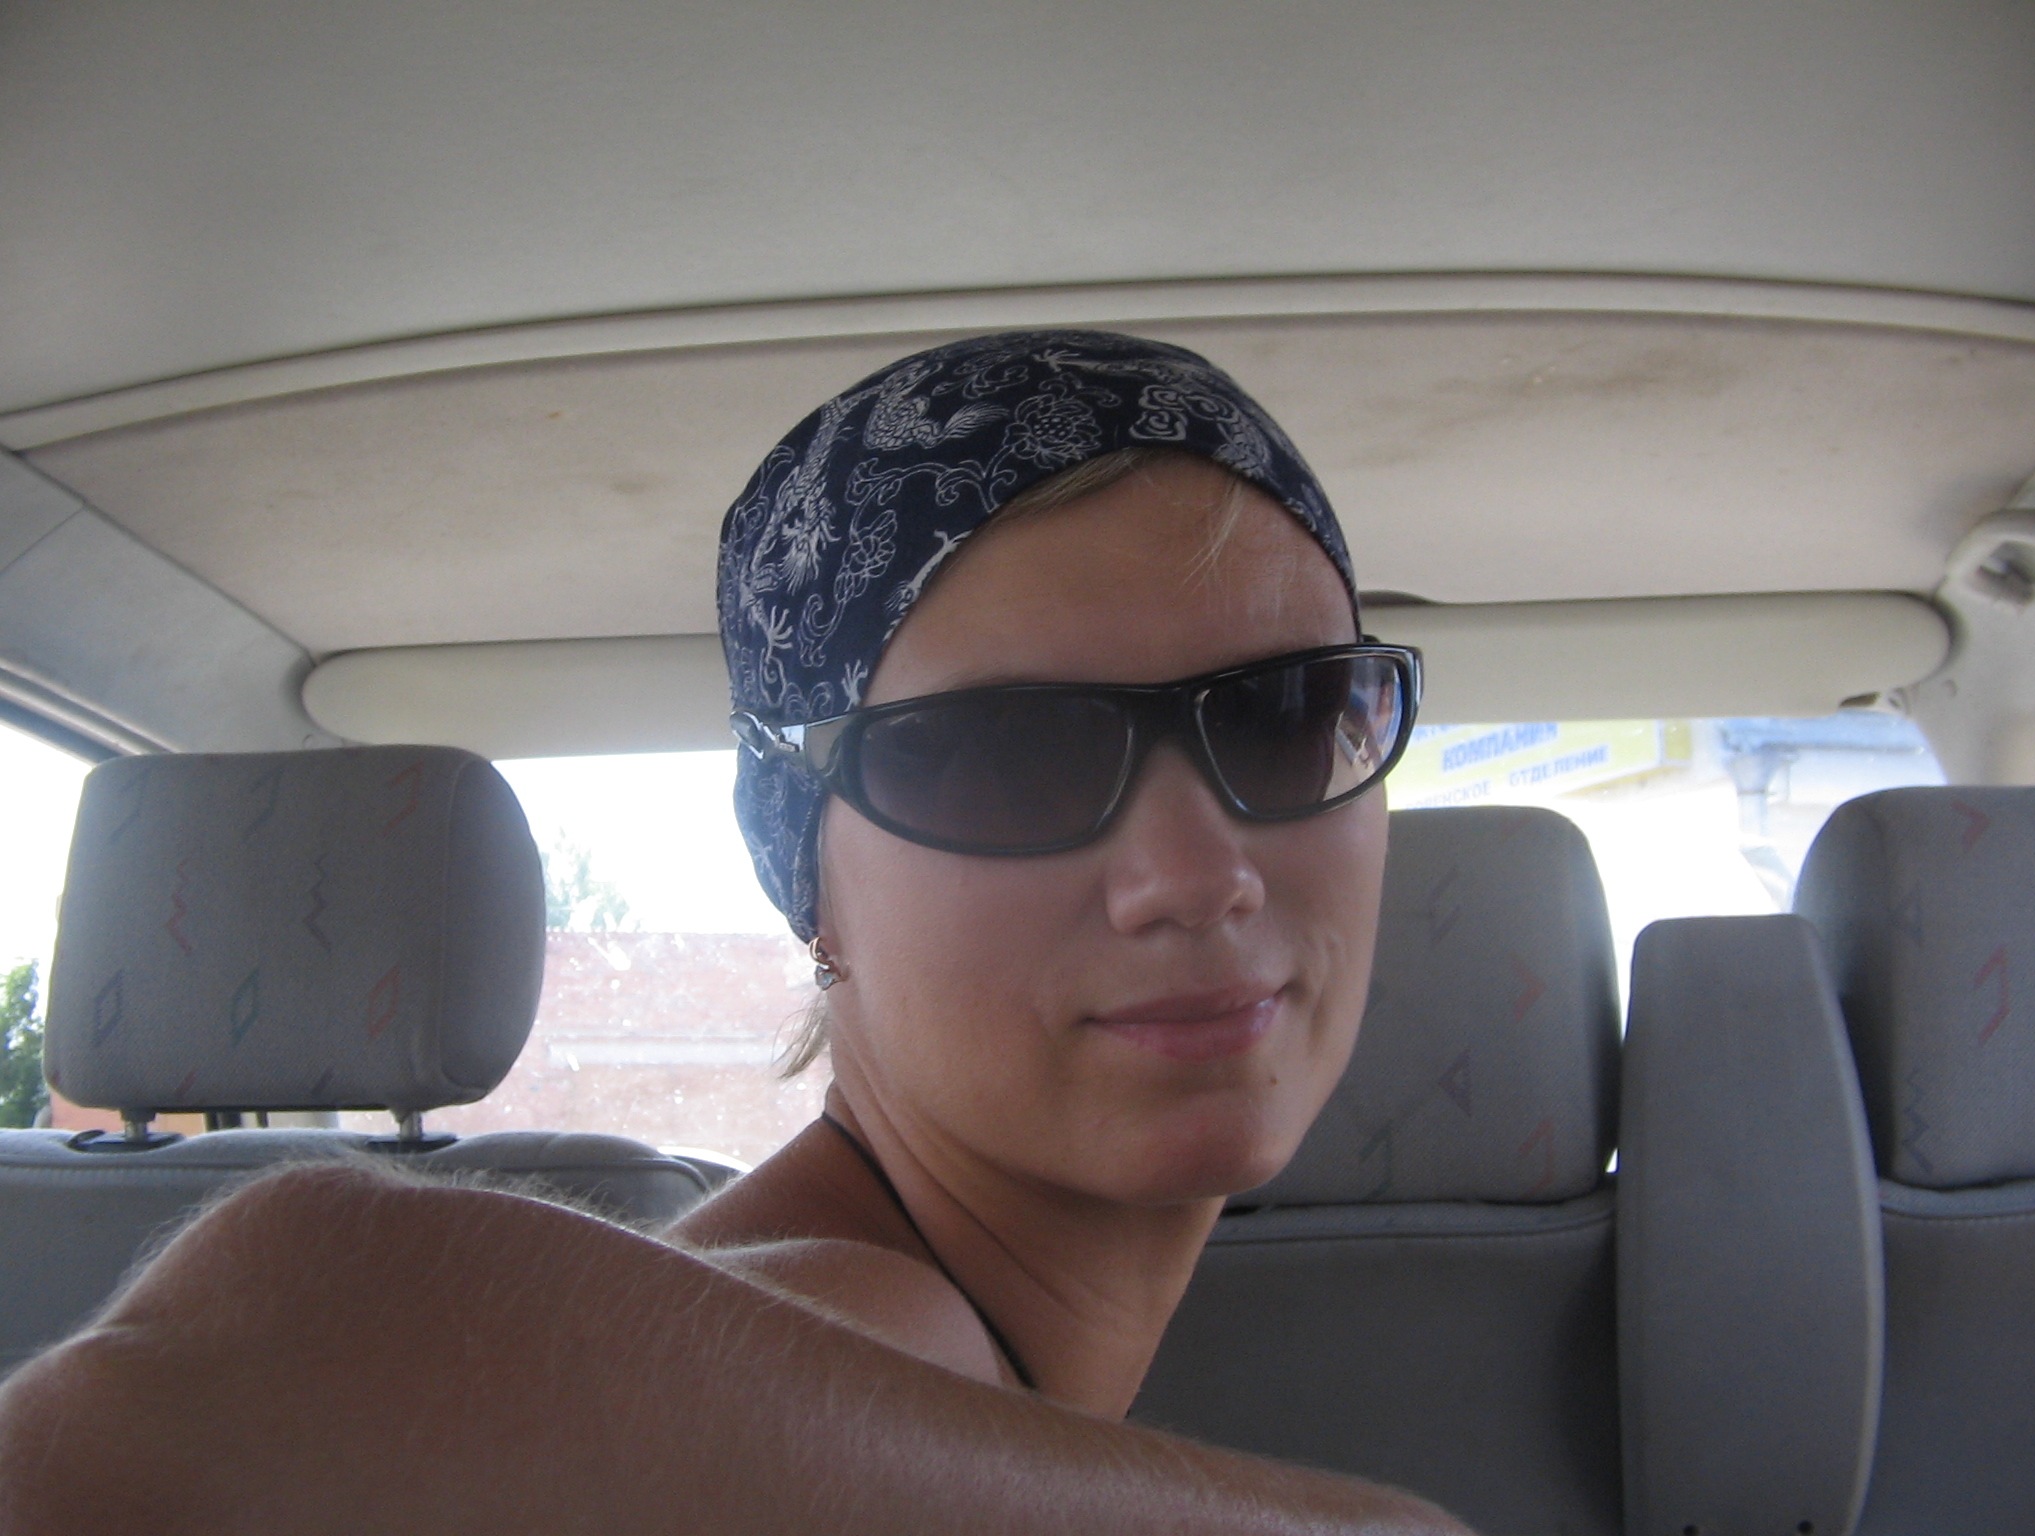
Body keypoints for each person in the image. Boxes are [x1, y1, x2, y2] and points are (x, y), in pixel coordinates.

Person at [0, 332, 1468, 1535]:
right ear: (808, 880)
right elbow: (230, 1402)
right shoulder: (863, 1324)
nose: (1196, 876)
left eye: (1285, 719)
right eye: (1006, 755)